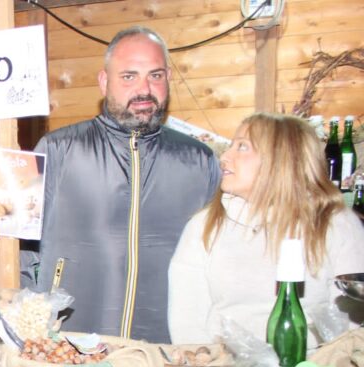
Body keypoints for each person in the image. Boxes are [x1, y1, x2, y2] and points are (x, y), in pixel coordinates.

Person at [30, 27, 220, 343]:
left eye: (155, 76)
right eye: (129, 77)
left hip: (167, 351)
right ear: (104, 82)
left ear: (169, 78)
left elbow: (219, 255)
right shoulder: (56, 150)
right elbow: (20, 251)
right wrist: (30, 330)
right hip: (70, 346)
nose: (144, 89)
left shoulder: (199, 161)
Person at [168, 113, 364, 345]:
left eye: (242, 147)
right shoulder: (204, 226)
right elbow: (187, 322)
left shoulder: (335, 224)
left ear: (282, 158)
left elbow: (349, 326)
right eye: (230, 146)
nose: (225, 157)